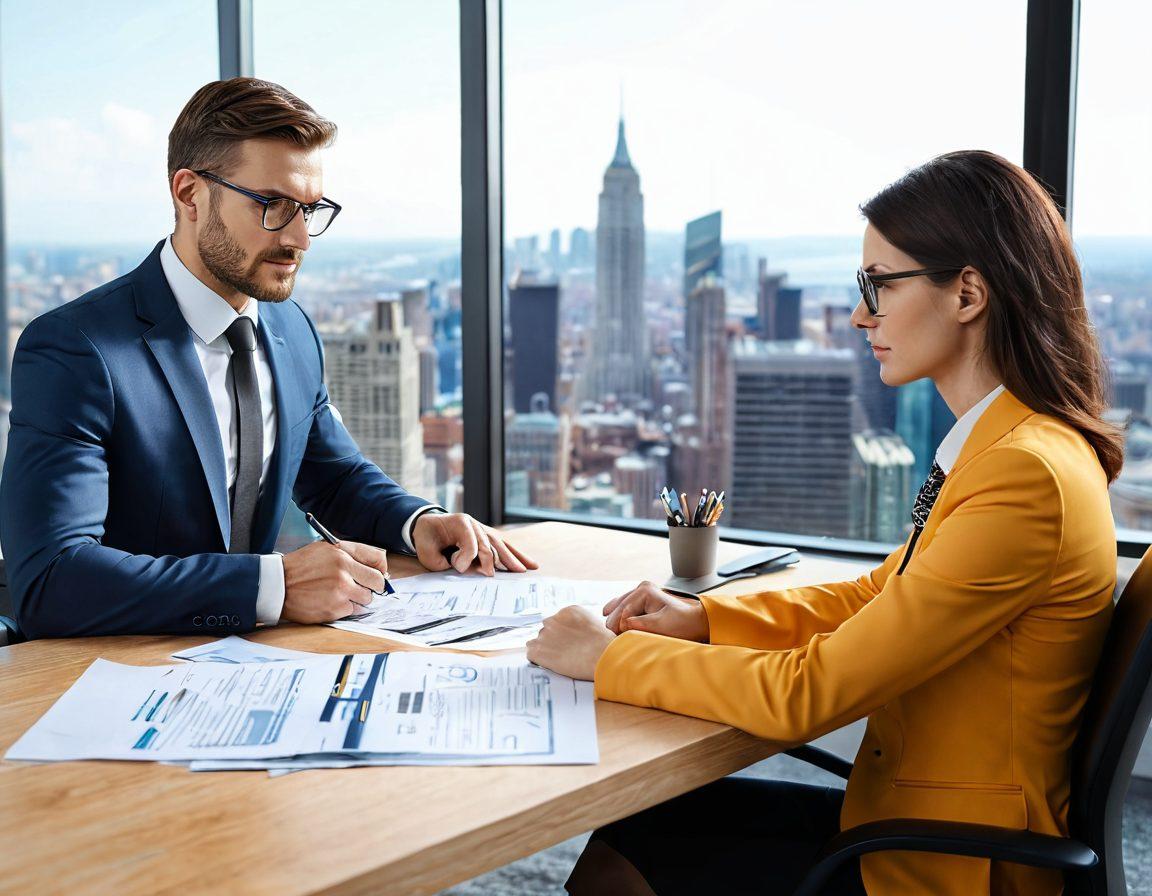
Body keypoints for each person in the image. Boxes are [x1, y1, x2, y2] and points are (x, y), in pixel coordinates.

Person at [527, 150, 1121, 896]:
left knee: (635, 853)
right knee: (636, 827)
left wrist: (603, 659)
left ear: (967, 293)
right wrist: (703, 619)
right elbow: (878, 597)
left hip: (954, 865)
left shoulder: (1024, 474)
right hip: (911, 814)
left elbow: (810, 693)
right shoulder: (1009, 445)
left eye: (878, 284)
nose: (859, 313)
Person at [0, 78, 536, 639]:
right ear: (189, 195)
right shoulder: (76, 350)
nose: (301, 238)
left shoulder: (291, 328)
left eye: (311, 208)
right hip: (100, 674)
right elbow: (51, 580)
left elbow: (334, 476)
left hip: (252, 667)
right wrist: (271, 586)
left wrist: (418, 522)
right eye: (274, 206)